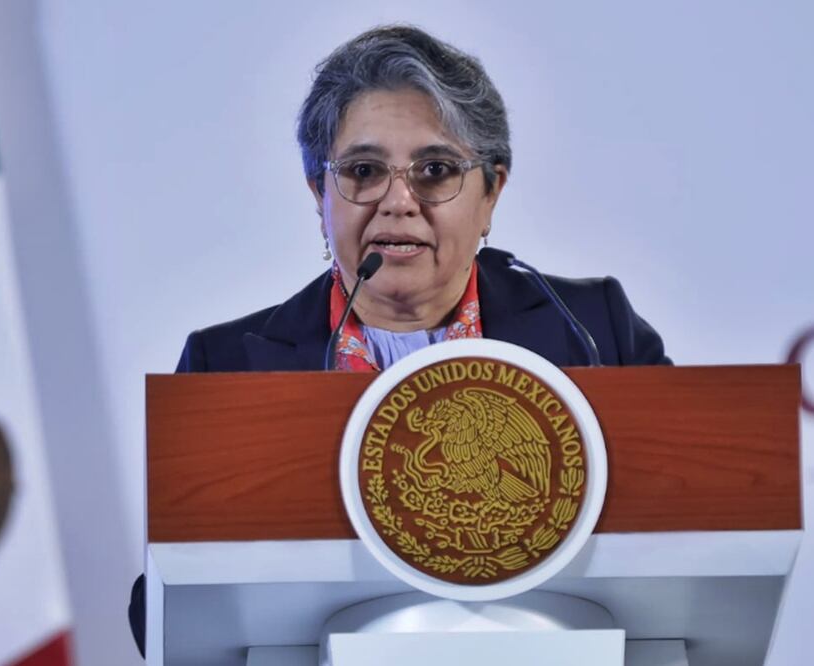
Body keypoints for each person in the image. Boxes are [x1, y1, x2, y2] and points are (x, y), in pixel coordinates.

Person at [130, 23, 668, 657]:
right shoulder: (228, 366)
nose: (398, 202)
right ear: (320, 193)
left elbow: (694, 533)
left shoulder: (592, 331)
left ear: (492, 191)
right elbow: (166, 608)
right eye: (364, 171)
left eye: (435, 171)